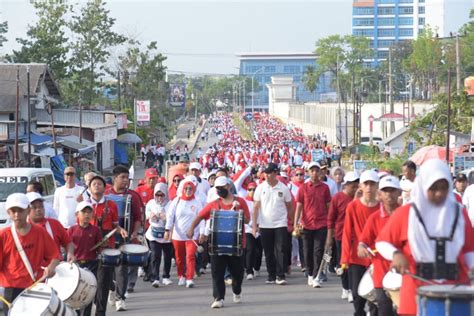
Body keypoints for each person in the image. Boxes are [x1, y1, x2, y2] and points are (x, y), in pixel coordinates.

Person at [376, 159, 474, 315]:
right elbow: (383, 242)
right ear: (423, 186)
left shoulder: (459, 212)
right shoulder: (408, 213)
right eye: (433, 188)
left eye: (444, 188)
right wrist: (396, 254)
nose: (439, 193)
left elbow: (469, 249)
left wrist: (472, 266)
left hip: (456, 287)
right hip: (417, 287)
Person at [187, 176, 251, 309]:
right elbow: (199, 216)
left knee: (237, 273)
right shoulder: (214, 204)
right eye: (217, 188)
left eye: (221, 187)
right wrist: (192, 228)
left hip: (237, 245)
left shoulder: (240, 201)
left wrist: (239, 211)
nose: (219, 190)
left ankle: (236, 290)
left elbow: (247, 220)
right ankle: (218, 297)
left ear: (228, 186)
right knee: (217, 272)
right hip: (217, 245)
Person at [0, 193, 60, 315]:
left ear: (28, 210)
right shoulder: (3, 235)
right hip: (11, 290)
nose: (17, 215)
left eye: (20, 210)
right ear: (8, 213)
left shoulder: (40, 232)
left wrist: (51, 267)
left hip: (36, 287)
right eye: (13, 211)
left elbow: (55, 256)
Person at [358, 175, 402, 316]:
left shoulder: (407, 215)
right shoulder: (374, 218)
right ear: (380, 194)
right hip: (380, 275)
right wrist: (362, 248)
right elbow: (363, 241)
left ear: (399, 192)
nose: (389, 194)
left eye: (392, 190)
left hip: (404, 275)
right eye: (385, 191)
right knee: (384, 312)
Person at [341, 169, 380, 316]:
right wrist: (344, 258)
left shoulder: (382, 207)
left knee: (375, 299)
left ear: (377, 186)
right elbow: (346, 233)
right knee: (358, 297)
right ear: (361, 187)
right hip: (356, 258)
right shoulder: (353, 206)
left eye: (372, 184)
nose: (369, 188)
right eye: (366, 184)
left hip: (376, 259)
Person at [105, 166, 143, 311]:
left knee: (121, 268)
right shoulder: (106, 194)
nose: (126, 180)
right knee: (107, 269)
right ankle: (111, 289)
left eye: (127, 177)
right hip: (107, 239)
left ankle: (120, 298)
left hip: (124, 238)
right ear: (115, 178)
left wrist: (134, 232)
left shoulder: (132, 196)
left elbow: (138, 218)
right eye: (123, 177)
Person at [252, 163, 294, 285]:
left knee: (280, 249)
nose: (267, 175)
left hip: (280, 223)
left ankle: (280, 275)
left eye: (270, 172)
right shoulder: (260, 188)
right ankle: (271, 275)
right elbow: (255, 208)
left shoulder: (283, 188)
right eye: (266, 172)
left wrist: (292, 222)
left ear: (276, 173)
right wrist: (255, 225)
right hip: (265, 225)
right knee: (268, 251)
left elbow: (290, 206)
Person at [294, 161, 331, 288]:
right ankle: (310, 274)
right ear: (308, 172)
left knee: (318, 251)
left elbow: (328, 206)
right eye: (312, 171)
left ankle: (316, 276)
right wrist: (295, 223)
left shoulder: (325, 188)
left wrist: (330, 222)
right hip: (306, 224)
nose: (314, 173)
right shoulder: (303, 188)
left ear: (320, 172)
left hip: (321, 223)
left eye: (317, 170)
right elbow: (299, 206)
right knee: (307, 251)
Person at [164, 179, 205, 288]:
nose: (188, 190)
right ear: (182, 189)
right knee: (179, 258)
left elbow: (201, 218)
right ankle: (181, 275)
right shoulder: (176, 201)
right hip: (178, 235)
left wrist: (202, 232)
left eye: (190, 188)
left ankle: (189, 278)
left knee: (190, 256)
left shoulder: (197, 202)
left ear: (194, 190)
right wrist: (167, 230)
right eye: (186, 188)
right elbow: (170, 216)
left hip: (192, 236)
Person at [327, 171, 359, 303]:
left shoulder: (359, 198)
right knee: (344, 263)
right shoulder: (337, 198)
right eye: (353, 186)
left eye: (357, 185)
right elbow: (331, 218)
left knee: (354, 264)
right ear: (346, 185)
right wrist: (330, 237)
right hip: (341, 236)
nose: (356, 188)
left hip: (357, 237)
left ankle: (353, 289)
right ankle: (346, 288)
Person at [68, 201, 103, 316]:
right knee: (75, 294)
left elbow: (100, 248)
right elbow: (67, 247)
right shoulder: (71, 230)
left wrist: (104, 246)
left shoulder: (96, 230)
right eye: (84, 212)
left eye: (89, 212)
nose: (87, 215)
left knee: (88, 294)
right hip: (76, 266)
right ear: (77, 214)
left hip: (91, 264)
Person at [26, 192, 75, 262]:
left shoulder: (54, 224)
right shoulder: (23, 229)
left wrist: (70, 253)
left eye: (41, 206)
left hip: (56, 267)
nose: (38, 210)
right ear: (27, 210)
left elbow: (68, 243)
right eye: (34, 207)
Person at [145, 183, 173, 287]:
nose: (160, 197)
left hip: (166, 234)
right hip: (154, 234)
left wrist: (166, 218)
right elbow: (147, 215)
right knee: (155, 255)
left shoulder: (171, 204)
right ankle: (155, 277)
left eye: (162, 195)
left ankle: (166, 276)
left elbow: (173, 217)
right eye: (158, 195)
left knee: (167, 256)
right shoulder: (151, 203)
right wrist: (152, 216)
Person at [243, 182, 262, 280]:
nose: (252, 191)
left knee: (259, 250)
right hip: (248, 228)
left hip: (259, 228)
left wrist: (259, 226)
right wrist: (251, 225)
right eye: (250, 189)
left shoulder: (260, 201)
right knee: (250, 248)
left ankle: (257, 267)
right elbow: (244, 216)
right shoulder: (245, 202)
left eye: (254, 189)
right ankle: (249, 271)